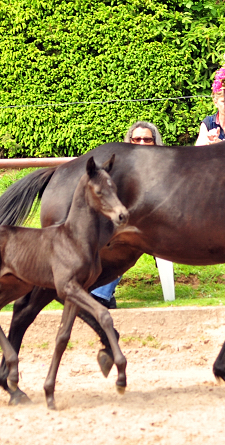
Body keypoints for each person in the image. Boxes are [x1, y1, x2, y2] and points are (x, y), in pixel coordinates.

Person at [90, 121, 163, 309]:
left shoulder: (165, 168)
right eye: (136, 139)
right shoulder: (120, 169)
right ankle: (96, 292)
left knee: (128, 240)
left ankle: (99, 295)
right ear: (129, 140)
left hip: (160, 224)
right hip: (125, 221)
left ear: (155, 142)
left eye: (147, 140)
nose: (141, 143)